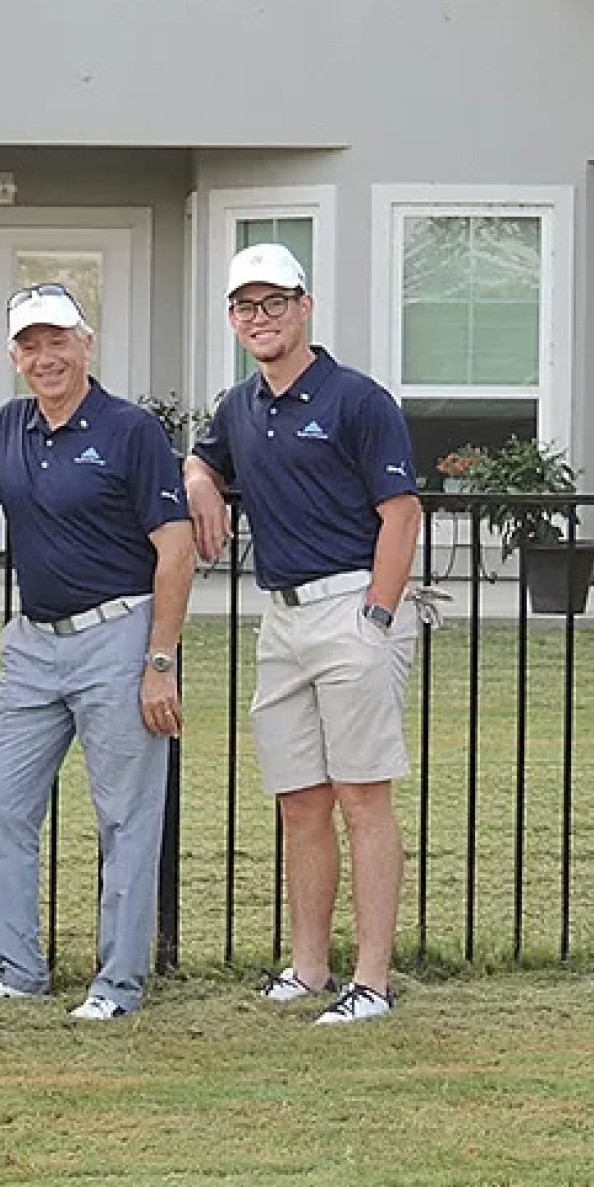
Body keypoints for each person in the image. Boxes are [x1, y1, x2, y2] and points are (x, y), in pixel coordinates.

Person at [0, 284, 193, 1020]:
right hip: (33, 646)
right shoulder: (8, 427)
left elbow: (176, 549)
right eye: (30, 345)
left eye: (57, 340)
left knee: (125, 820)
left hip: (120, 636)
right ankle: (15, 971)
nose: (45, 357)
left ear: (85, 344)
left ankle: (118, 985)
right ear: (14, 357)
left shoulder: (131, 431)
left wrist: (159, 662)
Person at [183, 243, 422, 1025]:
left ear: (305, 306)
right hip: (281, 619)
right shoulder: (239, 406)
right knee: (300, 803)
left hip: (354, 608)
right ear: (233, 319)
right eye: (246, 306)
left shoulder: (358, 400)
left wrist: (377, 617)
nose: (261, 318)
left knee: (362, 798)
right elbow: (204, 461)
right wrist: (197, 478)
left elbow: (401, 514)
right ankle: (310, 970)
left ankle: (373, 982)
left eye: (275, 302)